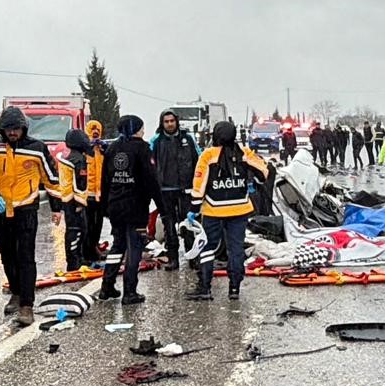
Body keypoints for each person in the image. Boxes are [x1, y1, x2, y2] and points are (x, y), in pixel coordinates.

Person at [0, 106, 62, 326]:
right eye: (8, 129)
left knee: (25, 256)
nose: (12, 133)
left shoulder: (37, 148)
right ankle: (15, 293)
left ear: (23, 128)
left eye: (16, 129)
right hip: (0, 210)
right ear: (2, 130)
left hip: (26, 210)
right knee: (7, 255)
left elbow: (51, 179)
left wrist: (56, 208)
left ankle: (27, 304)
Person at [186, 121, 269, 301]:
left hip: (213, 209)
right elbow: (263, 173)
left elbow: (199, 184)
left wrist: (193, 208)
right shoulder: (243, 153)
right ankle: (234, 288)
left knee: (208, 247)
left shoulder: (208, 155)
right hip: (240, 209)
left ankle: (205, 287)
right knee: (236, 248)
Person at [99, 115, 158, 305]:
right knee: (135, 248)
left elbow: (105, 180)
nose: (143, 131)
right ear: (136, 129)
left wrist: (105, 206)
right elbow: (151, 180)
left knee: (118, 245)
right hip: (135, 206)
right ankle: (130, 291)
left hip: (115, 206)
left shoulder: (112, 148)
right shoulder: (142, 148)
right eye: (141, 128)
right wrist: (162, 206)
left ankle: (107, 286)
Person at [150, 110, 199, 266]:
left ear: (176, 121)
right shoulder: (156, 141)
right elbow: (150, 164)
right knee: (169, 225)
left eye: (172, 121)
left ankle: (192, 257)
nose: (170, 124)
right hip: (165, 190)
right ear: (162, 123)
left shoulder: (188, 139)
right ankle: (173, 258)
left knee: (189, 224)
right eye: (166, 121)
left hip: (186, 190)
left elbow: (198, 160)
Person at [57, 129, 92, 272]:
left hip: (66, 197)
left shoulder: (67, 155)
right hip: (75, 200)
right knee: (77, 230)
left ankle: (76, 259)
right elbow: (80, 183)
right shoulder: (78, 159)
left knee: (72, 229)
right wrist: (80, 203)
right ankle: (74, 262)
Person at [82, 120, 107, 266]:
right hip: (88, 194)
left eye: (97, 130)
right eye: (92, 130)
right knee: (88, 224)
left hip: (100, 193)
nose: (95, 133)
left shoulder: (102, 150)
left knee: (98, 223)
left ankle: (94, 246)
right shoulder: (85, 150)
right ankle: (88, 251)